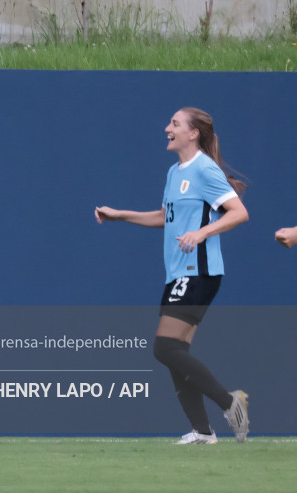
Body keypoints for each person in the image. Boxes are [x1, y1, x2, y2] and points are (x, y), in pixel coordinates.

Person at [94, 107, 250, 445]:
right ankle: (203, 432)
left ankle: (230, 403)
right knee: (174, 351)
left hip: (200, 271)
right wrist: (120, 215)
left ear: (193, 133)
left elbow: (239, 213)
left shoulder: (205, 170)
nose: (167, 128)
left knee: (164, 348)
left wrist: (201, 233)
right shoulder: (173, 172)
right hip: (180, 272)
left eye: (175, 124)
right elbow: (166, 216)